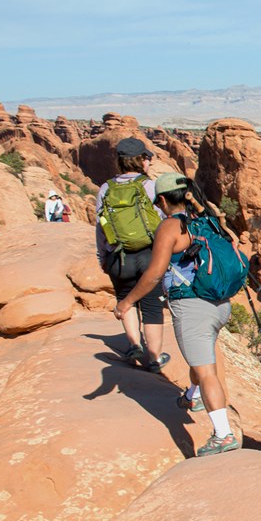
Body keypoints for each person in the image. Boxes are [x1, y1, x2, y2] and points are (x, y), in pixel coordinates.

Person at [114, 172, 240, 458]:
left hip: (193, 305)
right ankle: (192, 397)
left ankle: (223, 434)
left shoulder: (170, 227)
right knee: (202, 355)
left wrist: (127, 302)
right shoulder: (206, 218)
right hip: (220, 303)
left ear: (160, 199)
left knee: (206, 370)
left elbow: (155, 273)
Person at [97, 137, 169, 373]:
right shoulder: (149, 186)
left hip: (119, 256)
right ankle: (155, 358)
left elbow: (101, 226)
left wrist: (103, 257)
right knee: (152, 308)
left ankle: (134, 345)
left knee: (125, 299)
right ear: (141, 160)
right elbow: (163, 220)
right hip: (149, 255)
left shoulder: (106, 188)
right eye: (146, 158)